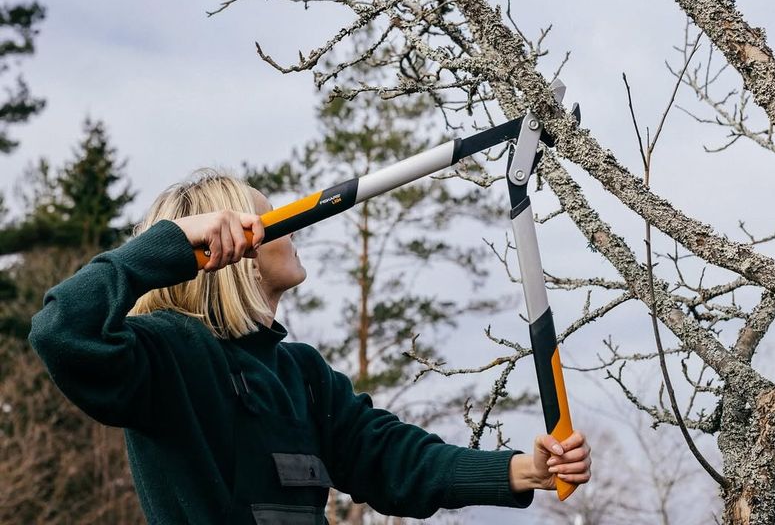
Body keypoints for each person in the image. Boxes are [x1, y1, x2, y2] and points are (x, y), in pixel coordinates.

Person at [30, 170, 591, 524]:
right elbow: (61, 332)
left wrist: (522, 470)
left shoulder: (301, 372)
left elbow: (392, 458)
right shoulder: (168, 354)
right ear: (227, 246)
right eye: (273, 217)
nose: (292, 227)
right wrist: (171, 243)